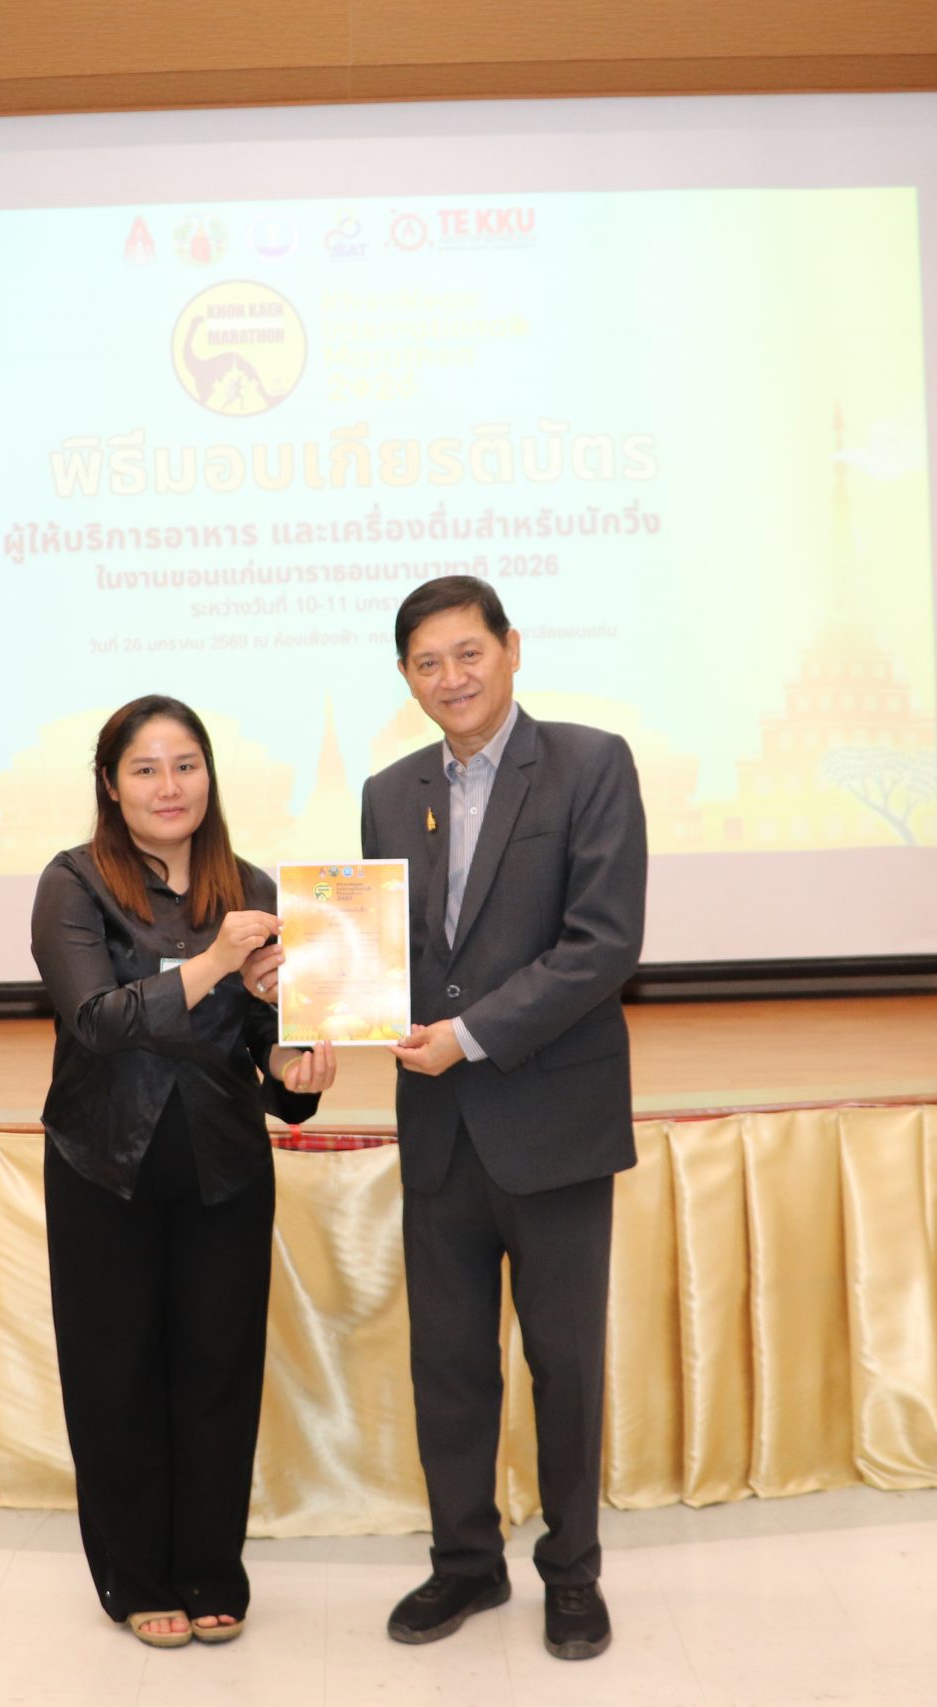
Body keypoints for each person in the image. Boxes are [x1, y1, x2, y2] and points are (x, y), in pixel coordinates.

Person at [245, 575, 646, 1660]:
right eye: (428, 662)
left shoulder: (591, 764)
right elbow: (394, 953)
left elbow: (602, 944)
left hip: (553, 1121)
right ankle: (465, 1563)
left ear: (511, 648)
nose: (452, 677)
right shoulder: (390, 790)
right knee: (449, 1366)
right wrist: (316, 996)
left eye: (469, 653)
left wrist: (467, 1035)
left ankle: (573, 1572)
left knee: (565, 1365)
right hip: (438, 1127)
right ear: (405, 677)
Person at [30, 693, 339, 1650]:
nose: (170, 786)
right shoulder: (72, 883)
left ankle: (210, 1569)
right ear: (110, 785)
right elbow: (98, 1021)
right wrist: (214, 961)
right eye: (146, 768)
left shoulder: (252, 886)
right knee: (114, 1374)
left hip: (223, 1164)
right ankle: (135, 1577)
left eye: (187, 764)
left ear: (209, 775)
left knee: (218, 1374)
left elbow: (264, 1038)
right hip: (103, 1163)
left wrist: (294, 1066)